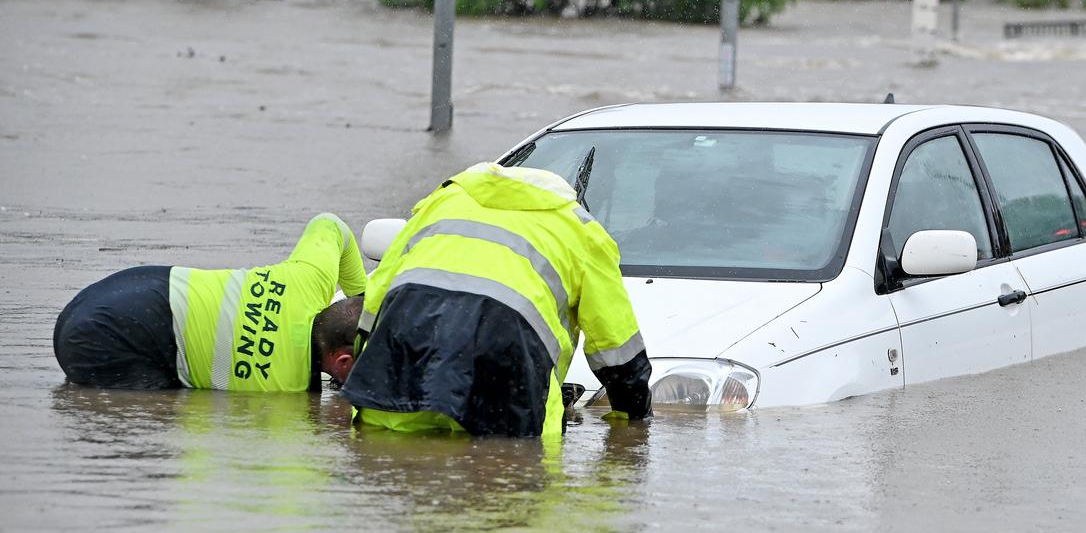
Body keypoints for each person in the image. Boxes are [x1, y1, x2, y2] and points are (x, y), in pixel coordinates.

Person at [341, 162, 652, 438]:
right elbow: (618, 351)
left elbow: (375, 304)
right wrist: (634, 426)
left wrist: (364, 369)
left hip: (397, 367)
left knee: (387, 476)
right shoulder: (583, 231)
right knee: (510, 488)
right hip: (506, 373)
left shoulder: (440, 204)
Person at [53, 213, 368, 392]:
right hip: (103, 339)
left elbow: (331, 224)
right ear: (342, 361)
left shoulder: (309, 279)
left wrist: (365, 296)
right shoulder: (287, 388)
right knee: (165, 412)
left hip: (116, 295)